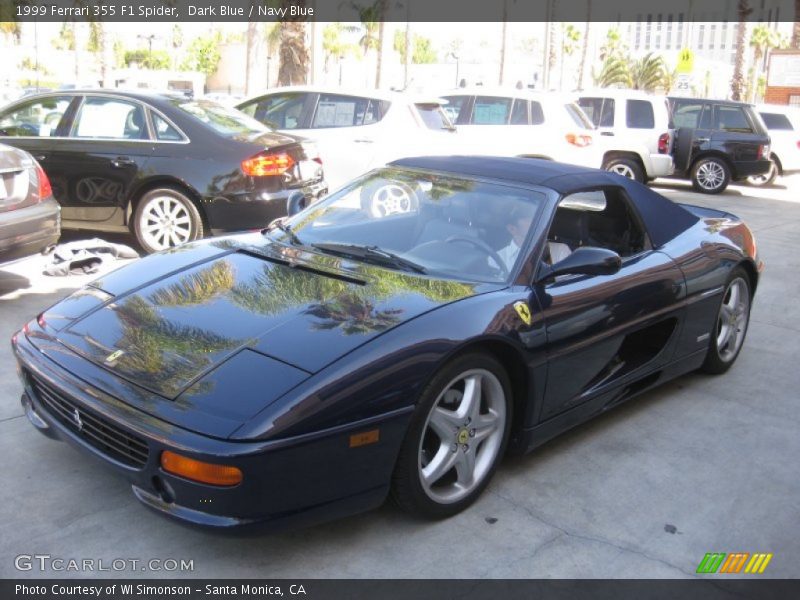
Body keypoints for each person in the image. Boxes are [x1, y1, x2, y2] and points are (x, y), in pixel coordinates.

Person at [497, 203, 535, 270]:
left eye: (532, 218)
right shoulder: (497, 258)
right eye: (527, 219)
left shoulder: (546, 251)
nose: (533, 222)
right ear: (512, 229)